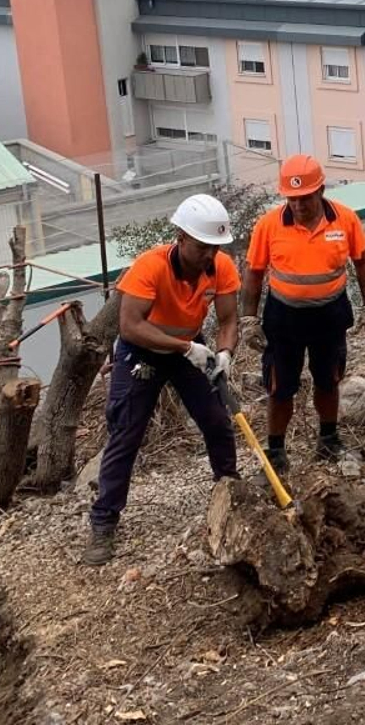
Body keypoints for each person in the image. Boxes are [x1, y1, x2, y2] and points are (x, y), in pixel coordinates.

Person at [83, 193, 241, 566]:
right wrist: (184, 347)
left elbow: (228, 319)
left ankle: (231, 493)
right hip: (144, 350)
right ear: (181, 237)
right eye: (202, 247)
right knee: (127, 432)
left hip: (190, 347)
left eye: (215, 247)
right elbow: (130, 326)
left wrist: (224, 353)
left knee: (217, 420)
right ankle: (103, 521)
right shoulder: (150, 267)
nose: (209, 255)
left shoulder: (220, 266)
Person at [240, 154, 365, 476]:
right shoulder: (269, 225)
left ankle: (328, 439)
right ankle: (276, 451)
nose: (298, 205)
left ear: (321, 191)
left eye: (305, 198)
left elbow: (363, 262)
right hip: (283, 318)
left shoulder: (345, 220)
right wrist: (249, 319)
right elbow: (254, 273)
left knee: (328, 379)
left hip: (330, 315)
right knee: (280, 386)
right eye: (292, 199)